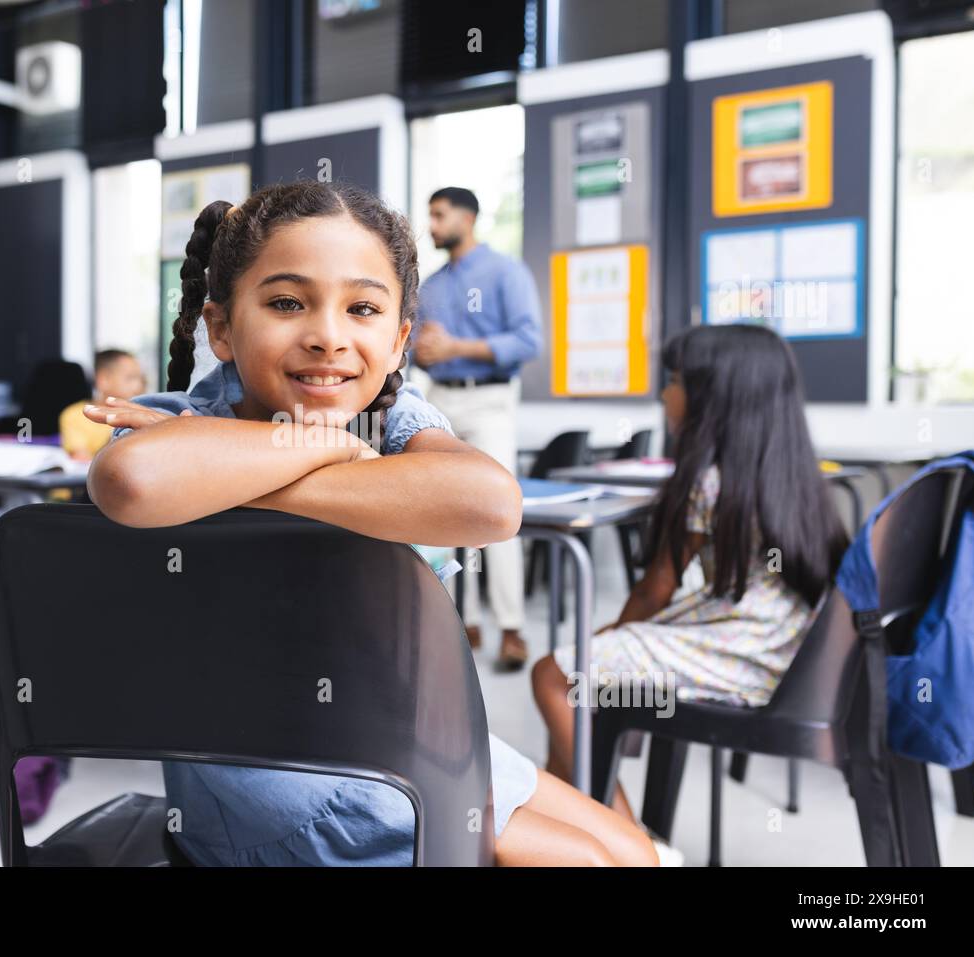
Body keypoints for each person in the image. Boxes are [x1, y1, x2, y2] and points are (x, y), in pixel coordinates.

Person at [83, 181, 655, 866]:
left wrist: (271, 477)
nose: (328, 335)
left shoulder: (395, 414)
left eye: (362, 308)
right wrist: (335, 447)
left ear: (398, 340)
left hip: (399, 743)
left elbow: (491, 503)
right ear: (221, 327)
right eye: (287, 303)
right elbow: (130, 480)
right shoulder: (174, 419)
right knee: (592, 863)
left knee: (637, 853)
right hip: (282, 786)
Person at [532, 324, 849, 822]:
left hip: (745, 654)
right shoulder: (794, 469)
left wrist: (609, 637)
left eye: (675, 379)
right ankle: (561, 832)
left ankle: (636, 847)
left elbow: (657, 587)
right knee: (583, 693)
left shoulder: (707, 480)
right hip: (790, 651)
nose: (665, 393)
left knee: (554, 676)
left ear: (715, 397)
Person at [413, 187, 542, 671]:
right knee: (438, 510)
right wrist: (420, 352)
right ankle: (455, 619)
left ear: (467, 218)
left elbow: (528, 340)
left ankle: (511, 628)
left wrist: (456, 349)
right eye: (430, 215)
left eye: (440, 214)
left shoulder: (506, 272)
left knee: (497, 509)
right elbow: (414, 349)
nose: (432, 223)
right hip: (440, 399)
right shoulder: (431, 286)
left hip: (489, 400)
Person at [59, 349, 146, 460]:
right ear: (103, 380)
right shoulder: (75, 415)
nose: (138, 386)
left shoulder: (144, 413)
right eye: (130, 378)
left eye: (141, 379)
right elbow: (81, 460)